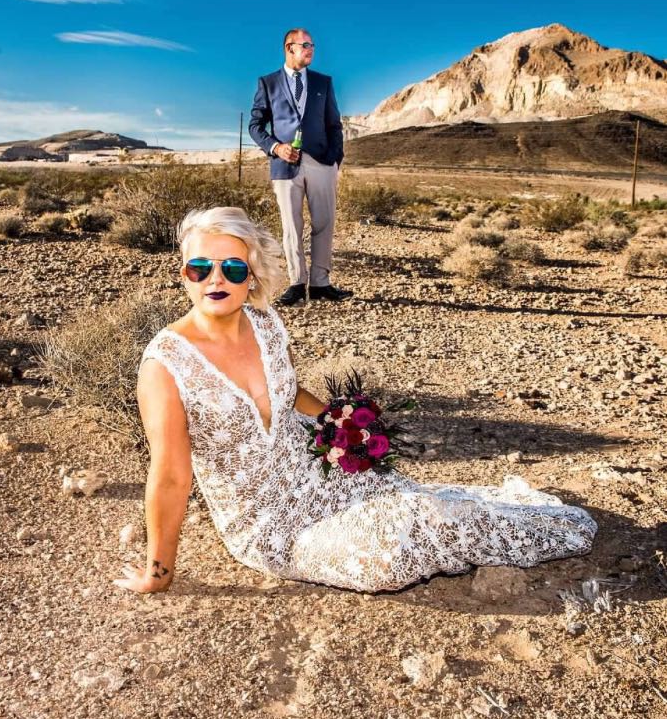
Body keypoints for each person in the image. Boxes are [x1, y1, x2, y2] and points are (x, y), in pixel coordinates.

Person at [114, 206, 597, 595]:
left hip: (316, 476)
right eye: (200, 267)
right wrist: (160, 570)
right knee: (384, 557)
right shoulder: (165, 365)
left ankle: (489, 520)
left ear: (252, 276)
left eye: (232, 267)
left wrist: (341, 424)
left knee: (423, 510)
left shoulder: (267, 326)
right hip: (266, 523)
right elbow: (172, 476)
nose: (214, 279)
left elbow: (289, 394)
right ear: (184, 275)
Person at [249, 28, 351, 306]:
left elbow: (334, 124)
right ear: (288, 47)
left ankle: (321, 283)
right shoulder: (267, 83)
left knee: (324, 224)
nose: (311, 49)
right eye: (304, 45)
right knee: (291, 226)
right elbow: (256, 126)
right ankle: (297, 283)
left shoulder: (323, 82)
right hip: (285, 166)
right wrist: (276, 147)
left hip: (321, 162)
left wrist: (334, 160)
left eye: (312, 45)